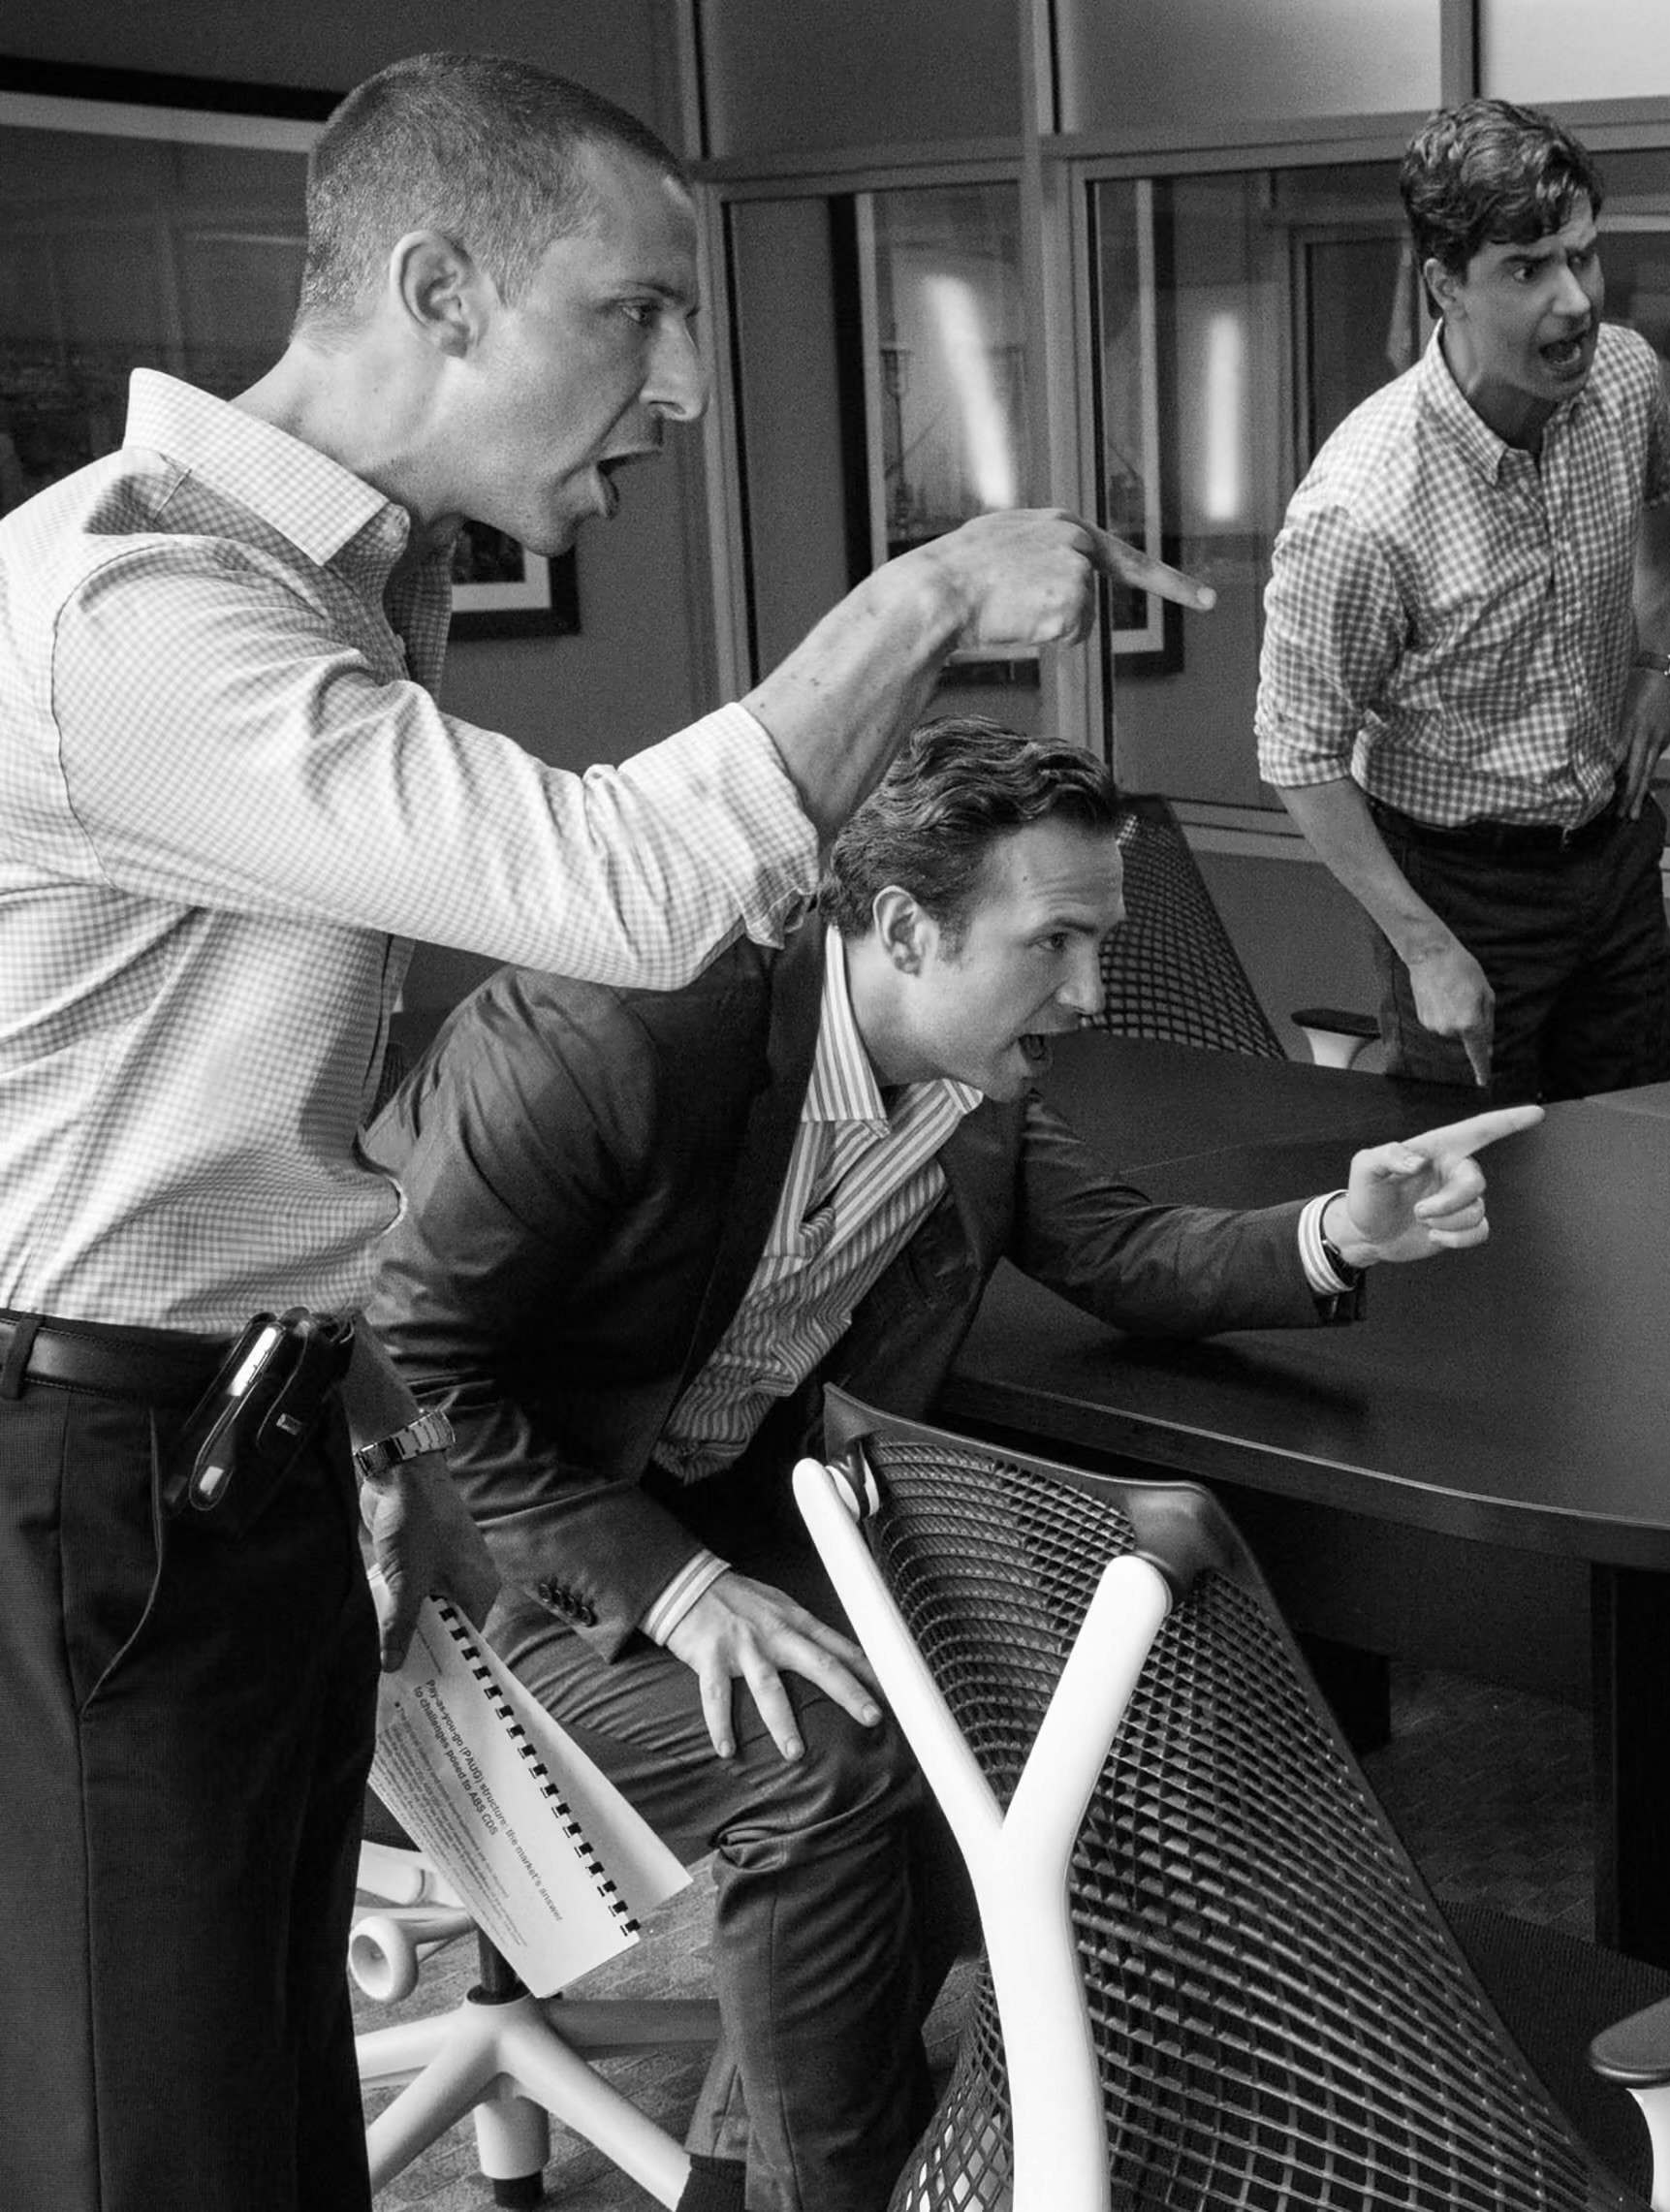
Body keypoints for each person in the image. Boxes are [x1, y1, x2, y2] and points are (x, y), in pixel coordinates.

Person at [0, 53, 1203, 2212]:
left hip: (241, 1447)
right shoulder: (128, 616)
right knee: (149, 2143)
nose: (674, 390)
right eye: (633, 314)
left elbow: (252, 1137)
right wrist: (924, 599)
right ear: (439, 284)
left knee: (261, 2122)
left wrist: (353, 1427)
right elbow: (636, 894)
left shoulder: (324, 604)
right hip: (91, 1471)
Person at [361, 719, 1530, 2212]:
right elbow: (407, 1366)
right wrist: (679, 1586)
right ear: (906, 926)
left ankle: (773, 2120)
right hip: (459, 1551)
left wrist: (1339, 1233)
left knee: (990, 1700)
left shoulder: (974, 1081)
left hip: (716, 1498)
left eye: (1101, 940)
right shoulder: (614, 1032)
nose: (1093, 994)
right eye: (1055, 940)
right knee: (831, 1759)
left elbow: (1116, 1243)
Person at [1258, 97, 1670, 1103]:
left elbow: (1665, 501)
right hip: (1459, 888)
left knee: (1633, 1160)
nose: (1576, 299)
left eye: (1581, 255)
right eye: (1527, 268)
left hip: (1612, 848)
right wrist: (1422, 945)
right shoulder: (1359, 508)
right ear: (1442, 286)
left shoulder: (1624, 376)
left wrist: (1664, 658)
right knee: (1481, 1205)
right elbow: (1297, 754)